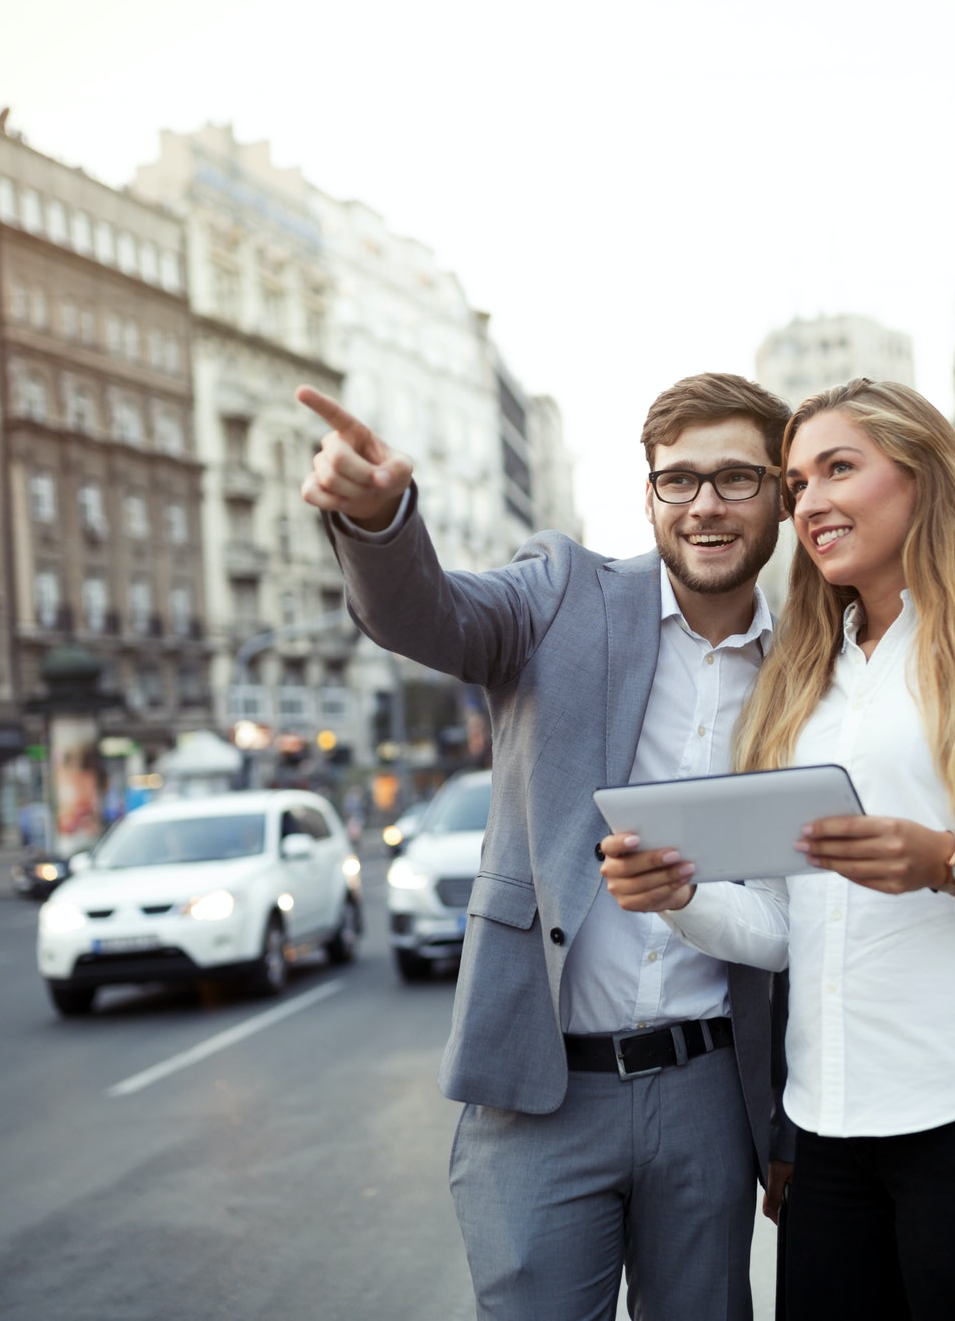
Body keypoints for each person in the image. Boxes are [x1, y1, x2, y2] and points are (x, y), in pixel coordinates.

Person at [600, 379, 955, 1320]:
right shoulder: (799, 684)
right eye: (797, 480)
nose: (809, 500)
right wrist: (678, 895)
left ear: (922, 475)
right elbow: (784, 927)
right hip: (824, 1143)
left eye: (838, 468)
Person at [302, 373, 796, 1321]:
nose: (704, 505)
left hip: (709, 1093)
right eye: (678, 479)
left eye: (737, 479)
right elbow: (429, 614)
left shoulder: (806, 665)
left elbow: (809, 911)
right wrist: (379, 520)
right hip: (542, 1088)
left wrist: (786, 1127)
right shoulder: (564, 593)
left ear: (781, 491)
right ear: (648, 491)